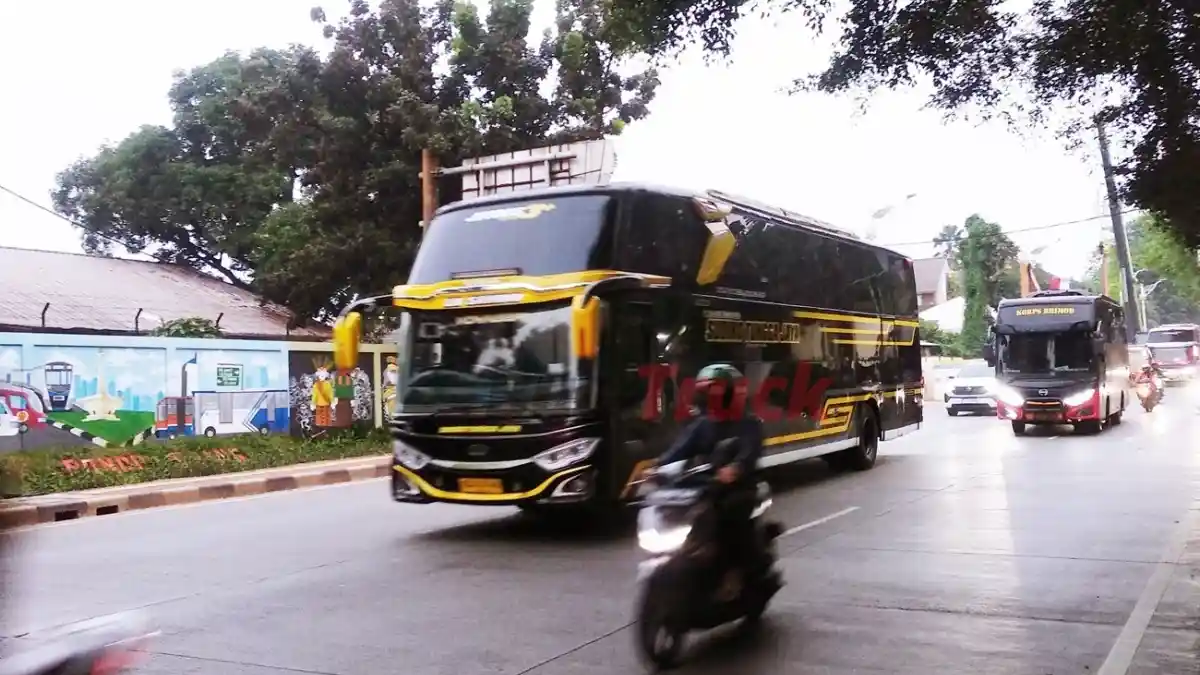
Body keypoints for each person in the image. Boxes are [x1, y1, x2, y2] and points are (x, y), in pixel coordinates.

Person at [653, 364, 766, 599]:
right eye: (708, 393)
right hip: (705, 485)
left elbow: (750, 452)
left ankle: (735, 573)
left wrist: (736, 468)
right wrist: (656, 467)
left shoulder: (749, 424)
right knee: (673, 507)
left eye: (717, 392)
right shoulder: (703, 425)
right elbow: (679, 450)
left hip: (738, 489)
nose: (712, 398)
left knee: (729, 516)